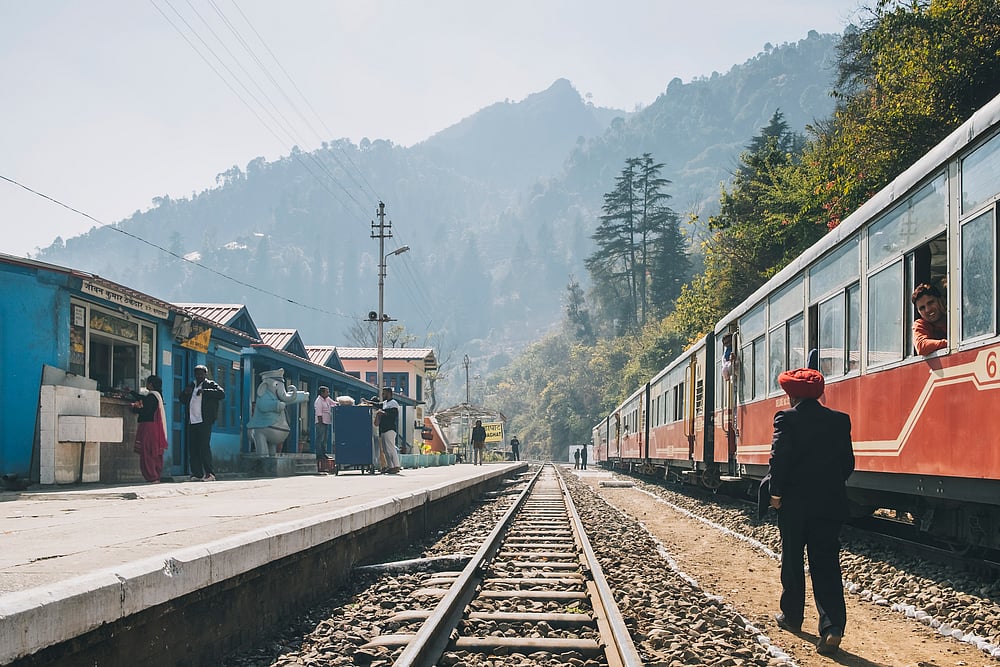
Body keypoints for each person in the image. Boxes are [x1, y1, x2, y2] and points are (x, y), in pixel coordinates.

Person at [766, 368, 854, 656]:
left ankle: (791, 616)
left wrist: (776, 495)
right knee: (826, 564)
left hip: (794, 505)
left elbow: (779, 459)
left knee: (792, 558)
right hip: (830, 504)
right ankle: (832, 627)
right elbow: (847, 465)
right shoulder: (840, 421)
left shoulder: (787, 418)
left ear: (791, 395)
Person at [180, 364, 226, 481]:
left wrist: (204, 391)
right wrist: (185, 393)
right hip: (192, 421)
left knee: (204, 447)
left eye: (201, 373)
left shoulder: (210, 384)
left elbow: (221, 394)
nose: (199, 376)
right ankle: (197, 473)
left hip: (204, 421)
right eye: (197, 373)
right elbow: (181, 399)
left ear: (205, 374)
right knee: (193, 448)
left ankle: (210, 473)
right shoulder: (191, 385)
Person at [130, 375, 168, 483]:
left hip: (148, 426)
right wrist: (132, 392)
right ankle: (156, 474)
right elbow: (142, 399)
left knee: (147, 451)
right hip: (155, 427)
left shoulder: (152, 397)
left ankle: (152, 476)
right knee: (155, 451)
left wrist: (135, 408)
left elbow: (145, 410)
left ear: (150, 384)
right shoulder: (157, 396)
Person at [911, 282, 948, 355]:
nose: (928, 310)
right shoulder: (920, 324)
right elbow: (921, 347)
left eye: (930, 303)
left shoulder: (956, 317)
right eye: (922, 308)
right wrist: (950, 344)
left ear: (941, 300)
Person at [375, 387, 401, 474]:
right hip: (383, 429)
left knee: (391, 448)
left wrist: (382, 413)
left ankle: (396, 466)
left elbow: (393, 415)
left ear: (389, 394)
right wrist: (368, 402)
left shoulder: (393, 403)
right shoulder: (385, 403)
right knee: (385, 450)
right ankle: (390, 466)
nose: (382, 395)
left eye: (384, 393)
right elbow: (377, 404)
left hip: (390, 429)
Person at [313, 386, 334, 460]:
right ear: (322, 393)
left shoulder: (327, 399)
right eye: (327, 392)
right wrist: (320, 422)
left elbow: (333, 403)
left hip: (326, 421)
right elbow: (319, 413)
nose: (328, 393)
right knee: (320, 438)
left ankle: (324, 453)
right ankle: (319, 454)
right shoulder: (319, 401)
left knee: (325, 439)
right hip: (320, 422)